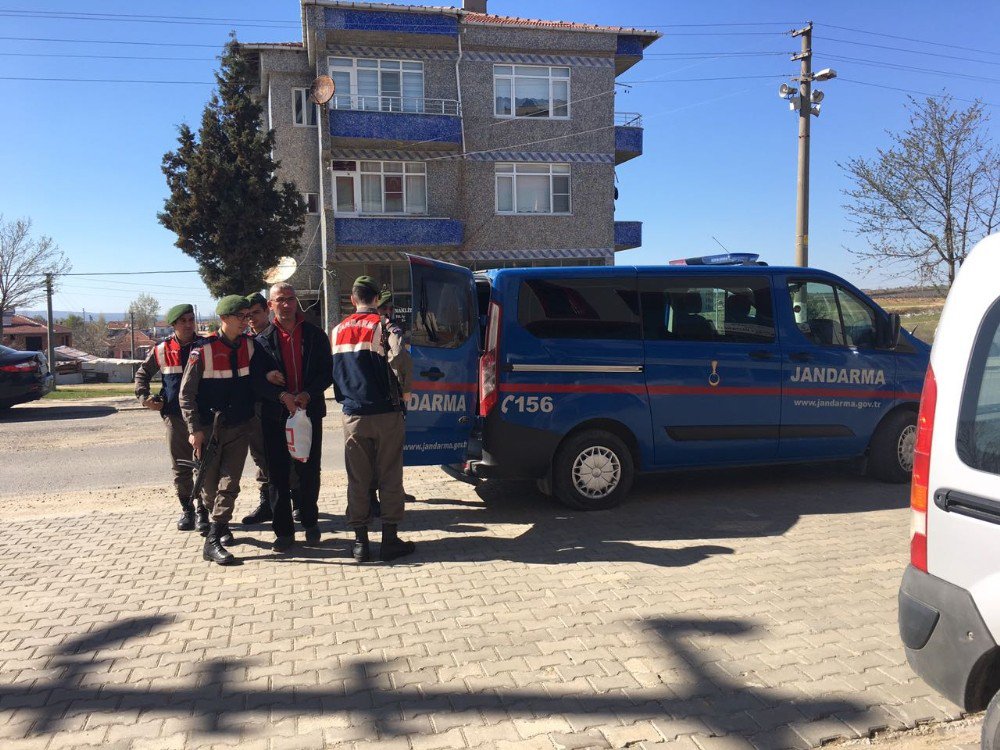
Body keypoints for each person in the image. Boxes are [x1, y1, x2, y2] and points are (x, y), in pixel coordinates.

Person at [330, 276, 414, 564]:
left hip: (353, 414)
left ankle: (360, 545)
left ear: (352, 299)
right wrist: (405, 392)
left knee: (358, 478)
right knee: (390, 474)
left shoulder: (337, 330)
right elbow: (400, 356)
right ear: (377, 299)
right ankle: (389, 541)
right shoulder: (384, 325)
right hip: (386, 412)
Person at [251, 282, 333, 552]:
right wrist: (280, 396)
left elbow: (326, 372)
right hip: (275, 417)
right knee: (277, 475)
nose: (286, 304)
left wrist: (308, 393)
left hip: (309, 414)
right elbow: (255, 382)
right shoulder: (260, 342)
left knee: (309, 470)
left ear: (296, 302)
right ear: (270, 306)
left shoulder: (315, 335)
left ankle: (310, 521)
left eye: (290, 299)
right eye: (280, 300)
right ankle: (284, 532)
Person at [179, 295, 257, 566]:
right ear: (224, 318)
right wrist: (193, 429)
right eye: (241, 316)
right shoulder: (203, 350)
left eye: (248, 315)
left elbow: (260, 375)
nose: (246, 321)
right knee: (209, 489)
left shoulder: (250, 345)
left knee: (229, 483)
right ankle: (219, 524)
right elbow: (186, 393)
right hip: (208, 429)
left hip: (239, 426)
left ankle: (212, 539)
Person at [134, 304, 207, 532]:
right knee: (181, 467)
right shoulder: (162, 349)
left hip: (203, 416)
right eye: (183, 321)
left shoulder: (205, 346)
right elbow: (142, 374)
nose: (188, 324)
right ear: (173, 324)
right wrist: (144, 398)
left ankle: (204, 511)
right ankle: (187, 509)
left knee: (205, 466)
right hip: (175, 417)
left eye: (191, 319)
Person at [368, 290, 414, 518]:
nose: (387, 312)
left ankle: (393, 493)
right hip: (388, 399)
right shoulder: (388, 330)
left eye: (390, 309)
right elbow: (399, 359)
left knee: (390, 453)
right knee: (382, 455)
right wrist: (406, 390)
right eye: (383, 308)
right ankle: (378, 499)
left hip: (384, 399)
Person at [240, 292, 273, 526]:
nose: (251, 318)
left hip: (278, 405)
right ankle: (266, 502)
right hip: (254, 408)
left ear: (267, 311)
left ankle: (297, 501)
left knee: (288, 455)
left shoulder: (278, 336)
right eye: (247, 315)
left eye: (256, 313)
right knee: (260, 456)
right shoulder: (243, 341)